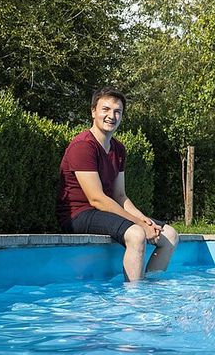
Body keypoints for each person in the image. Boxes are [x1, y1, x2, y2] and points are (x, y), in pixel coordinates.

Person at [57, 87, 178, 281]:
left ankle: (152, 290)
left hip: (103, 213)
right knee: (137, 234)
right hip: (79, 214)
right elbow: (96, 199)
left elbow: (120, 195)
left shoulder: (118, 149)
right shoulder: (83, 146)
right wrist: (139, 224)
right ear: (93, 111)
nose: (111, 116)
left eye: (117, 111)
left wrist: (144, 220)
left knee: (169, 235)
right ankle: (134, 294)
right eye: (105, 109)